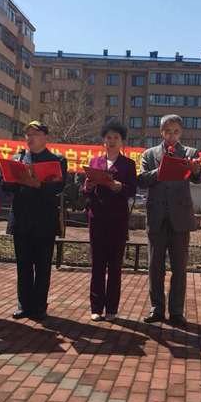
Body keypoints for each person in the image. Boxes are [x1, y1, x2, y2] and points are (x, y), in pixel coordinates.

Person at [138, 114, 201, 327]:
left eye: (175, 132)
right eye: (168, 131)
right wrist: (160, 171)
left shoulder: (190, 154)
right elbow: (141, 180)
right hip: (157, 217)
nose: (171, 136)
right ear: (161, 132)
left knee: (179, 267)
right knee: (155, 266)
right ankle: (157, 308)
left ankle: (176, 311)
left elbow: (199, 179)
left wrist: (196, 169)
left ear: (181, 133)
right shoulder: (149, 154)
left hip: (180, 218)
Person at [3, 121, 67, 321]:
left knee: (42, 266)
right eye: (27, 134)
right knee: (23, 266)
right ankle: (23, 305)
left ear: (45, 137)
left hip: (44, 221)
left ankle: (39, 306)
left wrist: (38, 184)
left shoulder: (57, 160)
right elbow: (7, 187)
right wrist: (13, 179)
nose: (30, 138)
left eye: (35, 134)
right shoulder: (18, 158)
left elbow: (58, 187)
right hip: (21, 220)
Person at [82, 120, 137, 321]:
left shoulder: (128, 164)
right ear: (103, 141)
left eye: (116, 138)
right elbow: (85, 190)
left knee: (115, 266)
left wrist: (120, 187)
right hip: (97, 218)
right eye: (108, 137)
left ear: (122, 142)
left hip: (118, 220)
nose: (112, 141)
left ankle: (112, 309)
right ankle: (96, 308)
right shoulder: (94, 162)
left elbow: (133, 190)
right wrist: (87, 186)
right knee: (97, 265)